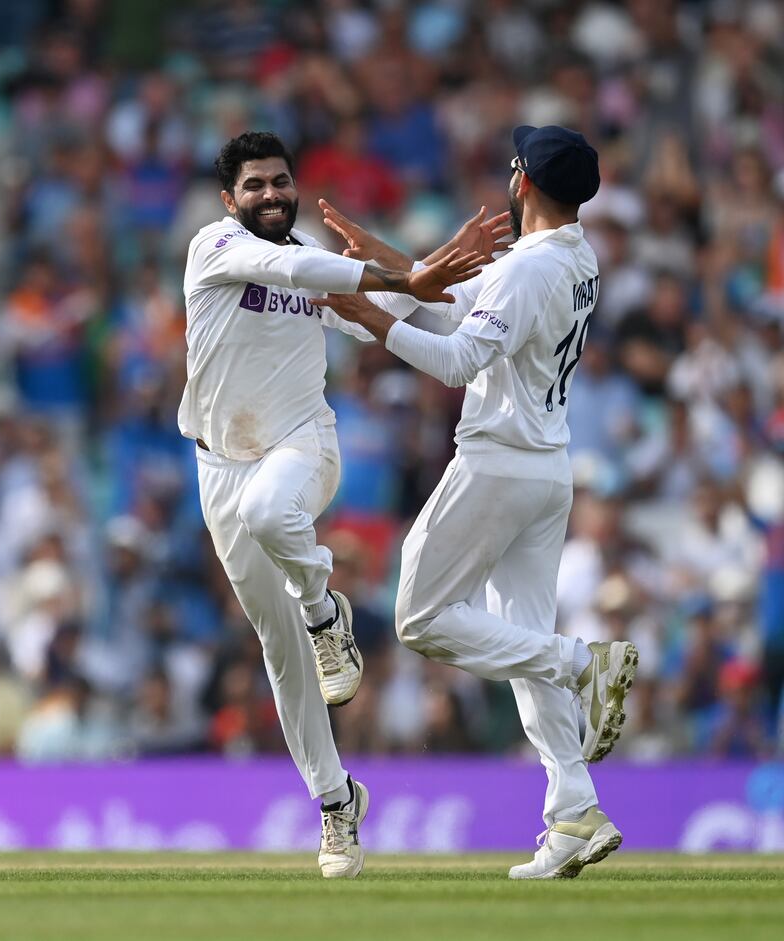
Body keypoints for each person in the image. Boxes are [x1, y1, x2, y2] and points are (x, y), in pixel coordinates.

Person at [314, 125, 639, 880]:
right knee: (521, 643)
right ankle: (573, 813)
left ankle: (581, 662)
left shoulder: (530, 272)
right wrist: (386, 260)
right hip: (545, 469)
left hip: (496, 462)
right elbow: (459, 295)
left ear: (520, 181)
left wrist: (373, 318)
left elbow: (460, 353)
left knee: (421, 617)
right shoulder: (571, 256)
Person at [178, 130, 482, 879]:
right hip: (219, 465)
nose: (272, 195)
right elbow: (294, 267)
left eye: (280, 181)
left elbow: (390, 314)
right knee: (282, 656)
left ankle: (325, 613)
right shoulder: (214, 248)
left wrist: (448, 298)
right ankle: (337, 800)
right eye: (255, 186)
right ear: (229, 200)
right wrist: (399, 280)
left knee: (270, 515)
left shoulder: (311, 257)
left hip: (301, 444)